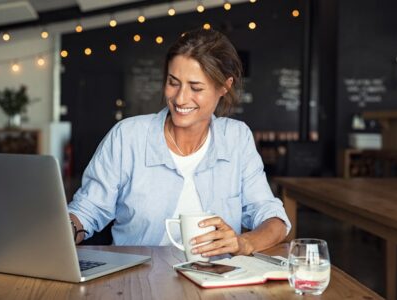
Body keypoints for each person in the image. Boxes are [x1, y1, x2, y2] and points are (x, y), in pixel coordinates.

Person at [68, 28, 291, 258]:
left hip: (217, 285)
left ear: (224, 87)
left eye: (196, 88)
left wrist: (243, 243)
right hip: (138, 283)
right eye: (173, 82)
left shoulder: (236, 138)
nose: (180, 98)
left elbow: (273, 219)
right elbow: (88, 209)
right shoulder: (128, 136)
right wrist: (64, 230)